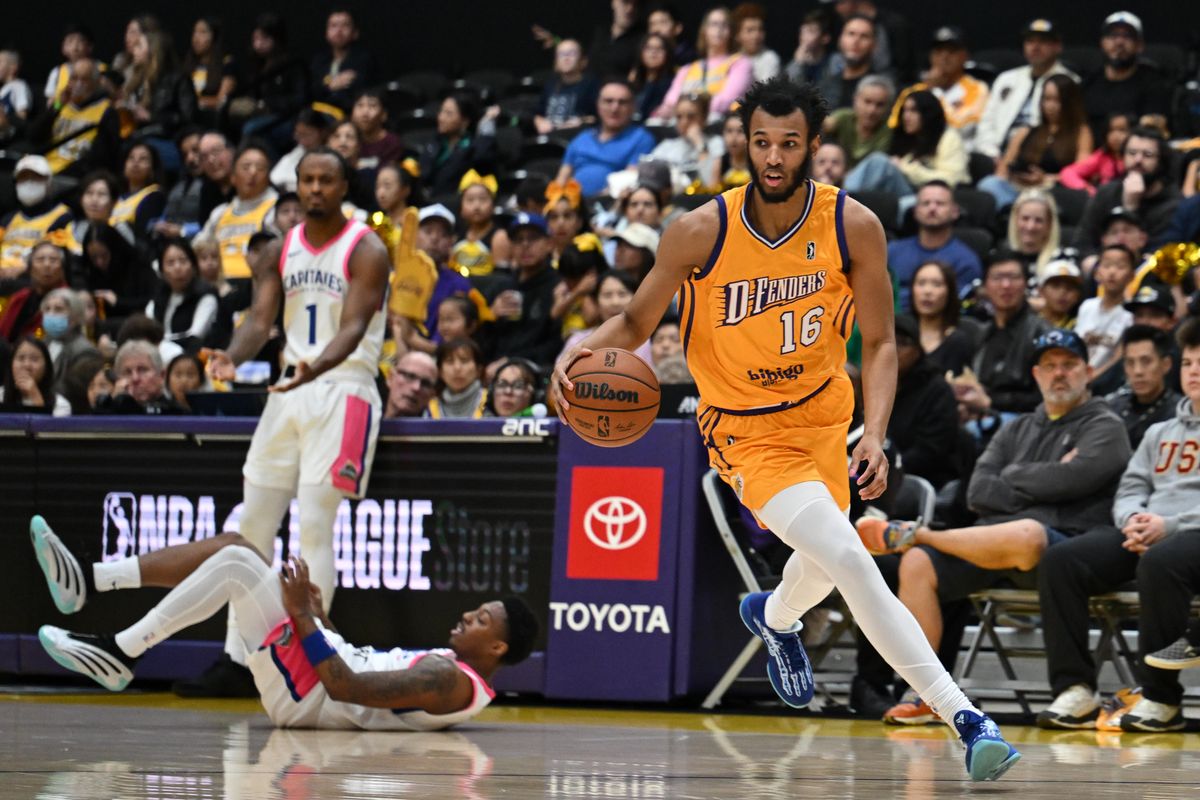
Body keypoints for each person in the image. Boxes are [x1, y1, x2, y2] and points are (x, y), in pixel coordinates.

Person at [549, 75, 1020, 782]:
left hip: (827, 418)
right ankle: (966, 717)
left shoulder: (852, 225)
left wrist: (875, 431)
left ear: (814, 146)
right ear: (744, 142)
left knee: (825, 565)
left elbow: (884, 343)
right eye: (761, 142)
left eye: (789, 144)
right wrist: (576, 346)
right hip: (746, 432)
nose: (773, 157)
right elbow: (638, 322)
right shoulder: (699, 230)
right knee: (852, 557)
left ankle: (773, 616)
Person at [857, 328, 1131, 724]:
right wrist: (1043, 478)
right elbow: (978, 490)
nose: (1059, 374)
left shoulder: (1106, 425)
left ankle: (920, 532)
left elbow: (1075, 480)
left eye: (1069, 365)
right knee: (917, 563)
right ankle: (927, 695)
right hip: (988, 545)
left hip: (1060, 549)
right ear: (1035, 374)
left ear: (1088, 371)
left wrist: (1014, 476)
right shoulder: (1016, 428)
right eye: (1050, 366)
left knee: (1027, 533)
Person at [30, 517, 538, 729]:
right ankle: (89, 579)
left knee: (236, 567)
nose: (467, 616)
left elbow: (346, 688)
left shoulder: (446, 679)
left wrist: (298, 613)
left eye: (481, 619)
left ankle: (121, 651)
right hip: (322, 674)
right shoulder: (457, 675)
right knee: (236, 545)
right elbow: (359, 670)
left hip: (311, 697)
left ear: (496, 647)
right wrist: (320, 617)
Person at [196, 147, 391, 697]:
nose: (315, 189)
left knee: (313, 530)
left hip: (343, 387)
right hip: (288, 388)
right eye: (307, 180)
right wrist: (232, 357)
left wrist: (316, 368)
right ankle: (238, 659)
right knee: (252, 524)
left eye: (326, 180)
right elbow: (259, 321)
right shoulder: (280, 249)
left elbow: (353, 327)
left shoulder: (367, 248)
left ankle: (315, 662)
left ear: (344, 185)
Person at [1036, 318, 1200, 732]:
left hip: (1185, 535)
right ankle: (1074, 689)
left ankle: (1161, 699)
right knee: (1061, 560)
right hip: (1147, 531)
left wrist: (1169, 524)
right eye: (1189, 363)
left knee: (1161, 561)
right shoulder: (1160, 432)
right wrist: (1132, 520)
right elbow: (1131, 485)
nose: (1194, 371)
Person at [959, 250, 1052, 420]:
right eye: (997, 278)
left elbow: (1045, 396)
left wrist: (989, 402)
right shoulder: (982, 333)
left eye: (1014, 277)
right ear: (985, 286)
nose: (1006, 285)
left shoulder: (1041, 332)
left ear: (1025, 284)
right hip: (984, 416)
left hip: (1024, 421)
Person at [978, 75, 1091, 211]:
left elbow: (1081, 172)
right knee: (989, 183)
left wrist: (1046, 179)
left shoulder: (1081, 133)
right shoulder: (1025, 132)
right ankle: (1011, 212)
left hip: (1053, 191)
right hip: (1019, 189)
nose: (1051, 106)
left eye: (1058, 100)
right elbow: (1002, 170)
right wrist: (1016, 176)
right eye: (1047, 99)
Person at [973, 19, 1077, 164]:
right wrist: (991, 154)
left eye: (1043, 41)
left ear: (1058, 46)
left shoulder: (1069, 82)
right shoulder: (1006, 78)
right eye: (1030, 41)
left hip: (1038, 155)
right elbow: (987, 123)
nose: (1035, 47)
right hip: (995, 154)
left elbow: (1071, 130)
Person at [844, 90, 968, 205]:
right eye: (905, 110)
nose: (906, 116)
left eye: (913, 110)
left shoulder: (948, 138)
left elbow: (953, 179)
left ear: (928, 113)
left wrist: (906, 168)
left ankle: (842, 201)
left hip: (933, 199)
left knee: (879, 161)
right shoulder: (908, 139)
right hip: (907, 193)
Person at [1073, 127, 1180, 254]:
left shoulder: (1174, 205)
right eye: (1132, 153)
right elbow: (1082, 241)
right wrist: (1091, 264)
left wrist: (1130, 209)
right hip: (1101, 267)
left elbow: (1153, 255)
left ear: (1161, 161)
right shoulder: (1105, 193)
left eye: (1148, 155)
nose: (1138, 160)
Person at [886, 180, 982, 309]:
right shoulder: (892, 251)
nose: (932, 208)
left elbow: (960, 306)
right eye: (926, 203)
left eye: (940, 203)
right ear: (915, 211)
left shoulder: (965, 260)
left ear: (955, 211)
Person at [888, 27, 988, 148]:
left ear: (965, 56)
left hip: (959, 153)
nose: (944, 57)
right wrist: (929, 89)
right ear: (931, 56)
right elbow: (894, 126)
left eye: (951, 51)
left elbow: (962, 127)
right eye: (939, 51)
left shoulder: (977, 89)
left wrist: (934, 92)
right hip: (915, 153)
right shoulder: (913, 92)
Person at [1080, 12, 1173, 141]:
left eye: (1127, 36)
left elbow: (1155, 131)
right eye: (1113, 36)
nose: (1119, 42)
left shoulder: (1154, 85)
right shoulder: (1088, 84)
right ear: (1102, 43)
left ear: (1139, 45)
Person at [557, 80, 656, 198]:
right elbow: (561, 180)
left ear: (632, 107)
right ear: (598, 105)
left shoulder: (641, 139)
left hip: (609, 204)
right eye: (608, 101)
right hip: (572, 206)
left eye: (622, 102)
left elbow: (628, 183)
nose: (614, 108)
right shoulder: (581, 138)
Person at [652, 7, 751, 122]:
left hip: (717, 125)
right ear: (704, 30)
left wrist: (689, 111)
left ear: (731, 32)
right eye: (714, 24)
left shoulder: (740, 63)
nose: (719, 29)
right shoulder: (687, 69)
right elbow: (670, 102)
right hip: (681, 122)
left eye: (724, 25)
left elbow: (727, 101)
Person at [28, 57, 121, 178]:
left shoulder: (107, 112)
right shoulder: (61, 105)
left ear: (96, 83)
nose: (78, 85)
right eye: (74, 78)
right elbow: (33, 136)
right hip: (47, 168)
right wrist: (57, 106)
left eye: (84, 80)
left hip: (76, 176)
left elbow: (101, 158)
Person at [199, 143, 278, 282]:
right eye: (246, 167)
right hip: (218, 285)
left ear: (269, 176)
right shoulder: (220, 213)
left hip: (257, 285)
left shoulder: (276, 209)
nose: (253, 172)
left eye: (260, 168)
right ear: (233, 177)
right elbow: (199, 247)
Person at [1106, 324, 1180, 449]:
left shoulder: (1180, 413)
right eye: (1130, 363)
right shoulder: (1111, 408)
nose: (1137, 371)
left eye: (1146, 361)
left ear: (1166, 364)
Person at [416, 91, 498, 199]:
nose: (441, 118)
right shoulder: (435, 142)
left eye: (448, 113)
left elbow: (482, 162)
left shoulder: (474, 146)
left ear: (465, 121)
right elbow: (424, 174)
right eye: (441, 112)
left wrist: (486, 128)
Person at [0, 156, 73, 276]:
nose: (29, 183)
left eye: (35, 178)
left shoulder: (63, 216)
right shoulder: (8, 218)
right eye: (23, 178)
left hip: (34, 279)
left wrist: (25, 270)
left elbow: (54, 256)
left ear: (48, 182)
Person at [146, 239, 218, 354]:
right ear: (162, 271)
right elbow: (147, 334)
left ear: (193, 266)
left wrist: (160, 343)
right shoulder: (157, 300)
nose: (178, 268)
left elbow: (195, 337)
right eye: (170, 263)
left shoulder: (206, 296)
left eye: (183, 261)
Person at [1075, 244, 1135, 378]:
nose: (1112, 272)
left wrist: (1091, 378)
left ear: (1131, 276)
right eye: (1107, 266)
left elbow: (1117, 359)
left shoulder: (1131, 314)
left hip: (1106, 381)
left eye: (1120, 267)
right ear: (1097, 273)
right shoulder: (1087, 306)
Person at [909, 260, 975, 376]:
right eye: (921, 283)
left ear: (950, 292)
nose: (927, 291)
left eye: (937, 284)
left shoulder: (957, 341)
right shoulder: (901, 335)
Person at [0, 241, 69, 343]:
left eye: (53, 260)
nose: (47, 265)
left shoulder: (69, 300)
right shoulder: (20, 298)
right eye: (40, 260)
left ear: (62, 270)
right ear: (30, 268)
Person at [94, 338, 185, 415]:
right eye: (127, 372)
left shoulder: (177, 413)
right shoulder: (106, 412)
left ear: (161, 375)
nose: (135, 378)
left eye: (142, 370)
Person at [310, 9, 376, 113]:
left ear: (355, 33)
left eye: (345, 25)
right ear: (326, 33)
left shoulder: (363, 60)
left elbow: (359, 91)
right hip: (317, 114)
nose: (339, 30)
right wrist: (330, 86)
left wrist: (325, 88)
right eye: (334, 25)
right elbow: (310, 92)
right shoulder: (319, 61)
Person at [821, 76, 893, 170]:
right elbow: (825, 124)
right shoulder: (844, 117)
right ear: (856, 100)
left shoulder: (890, 130)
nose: (872, 110)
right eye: (867, 102)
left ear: (888, 107)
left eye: (880, 105)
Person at [816, 15, 884, 111]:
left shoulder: (879, 88)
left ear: (874, 45)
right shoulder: (826, 80)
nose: (856, 41)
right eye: (851, 34)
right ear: (840, 39)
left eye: (864, 36)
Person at [1058, 112, 1132, 196]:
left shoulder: (1137, 156)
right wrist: (1087, 189)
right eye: (1111, 131)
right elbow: (1067, 173)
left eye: (1122, 130)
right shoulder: (1102, 156)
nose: (1115, 136)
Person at [40, 287, 99, 390]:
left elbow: (74, 391)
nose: (51, 314)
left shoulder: (85, 352)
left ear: (75, 316)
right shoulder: (44, 342)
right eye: (47, 309)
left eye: (58, 309)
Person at [535, 39, 599, 134]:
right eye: (561, 54)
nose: (566, 58)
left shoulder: (591, 84)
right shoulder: (550, 84)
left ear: (583, 60)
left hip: (576, 137)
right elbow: (538, 114)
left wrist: (580, 122)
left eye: (572, 53)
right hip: (550, 137)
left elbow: (598, 117)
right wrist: (540, 123)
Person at [0, 336, 71, 416]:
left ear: (46, 366)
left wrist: (35, 396)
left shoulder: (60, 405)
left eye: (34, 359)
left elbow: (48, 428)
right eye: (21, 358)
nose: (27, 365)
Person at [183, 18, 237, 120]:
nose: (196, 38)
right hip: (190, 116)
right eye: (195, 32)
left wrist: (196, 102)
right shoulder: (189, 64)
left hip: (213, 118)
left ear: (214, 36)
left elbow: (222, 100)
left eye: (203, 32)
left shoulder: (226, 63)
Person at [113, 142, 168, 238]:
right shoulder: (116, 197)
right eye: (131, 158)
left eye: (143, 159)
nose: (135, 163)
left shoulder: (155, 196)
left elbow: (143, 234)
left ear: (152, 169)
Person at [428, 338, 488, 419]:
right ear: (439, 371)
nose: (457, 368)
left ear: (478, 370)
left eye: (464, 361)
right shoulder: (428, 407)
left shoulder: (491, 401)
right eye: (449, 361)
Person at [1006, 189, 1061, 275]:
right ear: (1015, 220)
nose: (1030, 227)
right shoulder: (1001, 258)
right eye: (1025, 218)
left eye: (1039, 220)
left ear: (1049, 225)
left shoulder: (1061, 262)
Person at [353, 88, 404, 172]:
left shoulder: (392, 143)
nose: (365, 112)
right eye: (360, 105)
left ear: (384, 115)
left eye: (372, 106)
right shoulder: (349, 139)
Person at [629, 33, 675, 122]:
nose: (653, 52)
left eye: (659, 49)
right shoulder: (633, 82)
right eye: (648, 48)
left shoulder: (672, 84)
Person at [732, 3, 780, 82]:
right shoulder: (730, 57)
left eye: (760, 29)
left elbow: (764, 92)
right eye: (750, 30)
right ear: (737, 35)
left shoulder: (770, 59)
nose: (756, 36)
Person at [784, 10, 833, 85]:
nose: (803, 37)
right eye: (802, 31)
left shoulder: (834, 62)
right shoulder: (795, 63)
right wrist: (798, 63)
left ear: (825, 38)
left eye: (810, 31)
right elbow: (787, 88)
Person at [383, 351, 437, 418]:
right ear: (390, 378)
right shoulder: (368, 421)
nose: (416, 387)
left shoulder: (439, 428)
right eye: (410, 376)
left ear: (432, 395)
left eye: (425, 384)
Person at [1035, 257, 1084, 329]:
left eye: (1070, 288)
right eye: (1055, 286)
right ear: (1041, 291)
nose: (1062, 292)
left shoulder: (1081, 327)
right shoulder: (1027, 322)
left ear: (1078, 295)